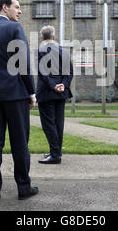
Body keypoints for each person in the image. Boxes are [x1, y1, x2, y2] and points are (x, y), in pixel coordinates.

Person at [0, 0, 38, 206]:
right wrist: (31, 92)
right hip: (15, 94)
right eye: (17, 7)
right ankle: (23, 187)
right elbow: (23, 63)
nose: (20, 11)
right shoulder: (14, 29)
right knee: (20, 143)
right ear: (5, 7)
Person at [36, 26, 73, 164]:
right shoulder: (64, 51)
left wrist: (53, 85)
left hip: (46, 92)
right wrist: (63, 84)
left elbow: (43, 72)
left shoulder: (40, 51)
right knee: (58, 123)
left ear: (42, 38)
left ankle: (55, 154)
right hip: (62, 92)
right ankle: (55, 151)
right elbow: (69, 72)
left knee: (48, 124)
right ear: (53, 37)